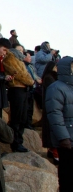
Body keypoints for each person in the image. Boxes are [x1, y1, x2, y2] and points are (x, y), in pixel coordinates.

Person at [45, 56, 73, 191]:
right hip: (67, 140)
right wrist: (63, 137)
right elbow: (54, 114)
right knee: (68, 174)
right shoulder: (56, 88)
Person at [2, 47, 34, 152]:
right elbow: (20, 75)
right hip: (16, 91)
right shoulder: (9, 59)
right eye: (19, 50)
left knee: (23, 118)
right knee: (16, 118)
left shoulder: (20, 61)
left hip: (24, 91)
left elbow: (25, 74)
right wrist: (30, 81)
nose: (22, 52)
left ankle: (19, 141)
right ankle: (15, 143)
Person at [42, 61, 58, 163]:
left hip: (51, 105)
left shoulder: (52, 77)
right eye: (56, 66)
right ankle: (54, 152)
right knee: (52, 129)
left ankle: (52, 150)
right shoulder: (49, 78)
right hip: (51, 106)